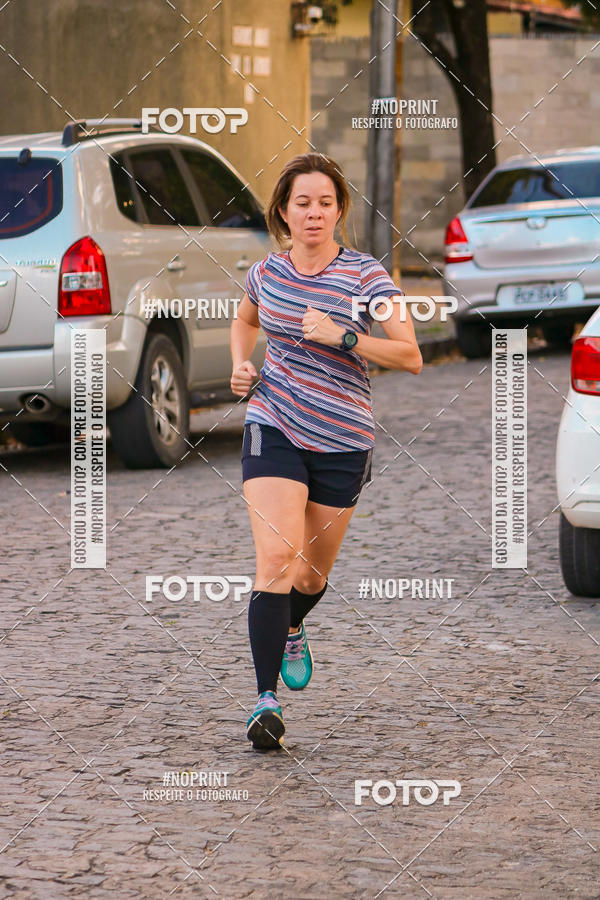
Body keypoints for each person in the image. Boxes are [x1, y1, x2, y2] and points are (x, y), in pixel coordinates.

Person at [230, 152, 422, 750]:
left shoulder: (367, 278)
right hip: (275, 422)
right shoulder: (266, 273)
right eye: (302, 203)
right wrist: (241, 363)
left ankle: (292, 625)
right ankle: (265, 702)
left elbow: (412, 354)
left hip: (343, 439)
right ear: (283, 213)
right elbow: (245, 319)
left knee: (311, 573)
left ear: (339, 211)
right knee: (277, 559)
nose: (313, 214)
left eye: (325, 203)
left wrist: (344, 335)